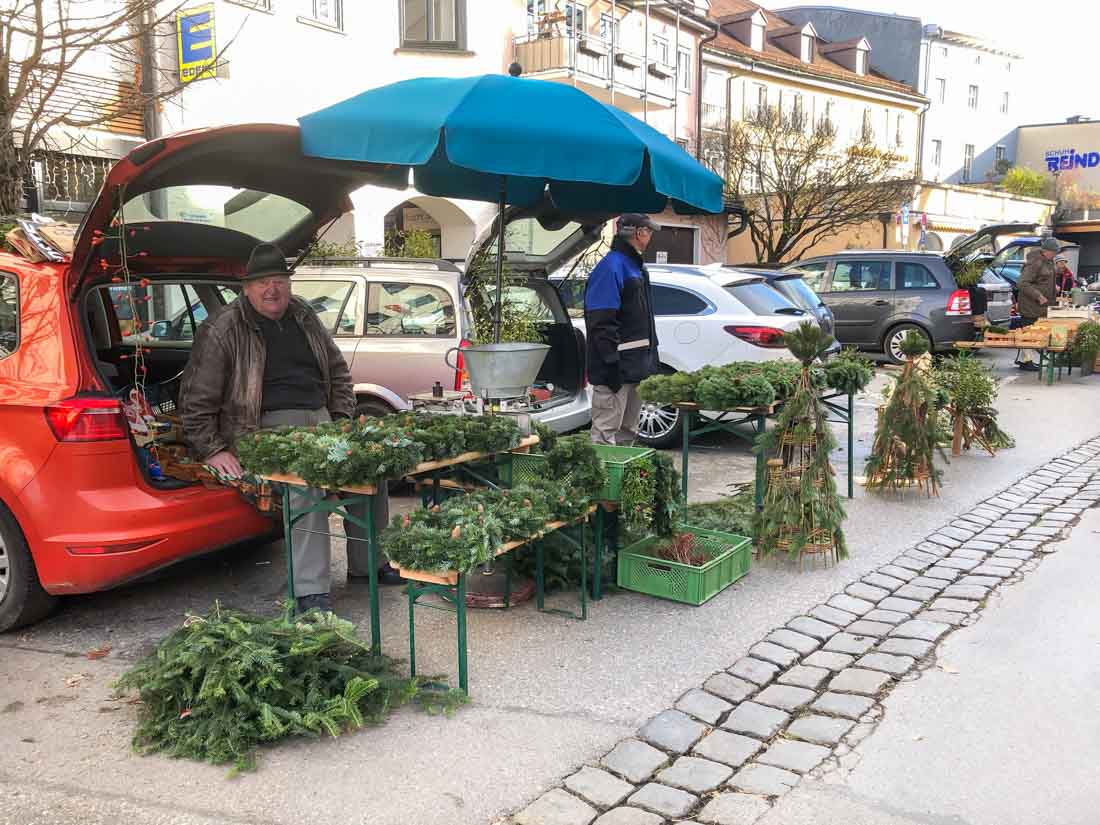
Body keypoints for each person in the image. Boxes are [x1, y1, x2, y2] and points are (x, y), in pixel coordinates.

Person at [180, 242, 398, 614]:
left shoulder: (303, 315)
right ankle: (310, 591)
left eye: (279, 280)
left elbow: (339, 373)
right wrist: (213, 449)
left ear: (289, 284)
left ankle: (369, 566)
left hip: (322, 421)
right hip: (261, 430)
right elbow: (195, 399)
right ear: (247, 288)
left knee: (369, 467)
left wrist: (341, 420)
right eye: (263, 282)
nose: (273, 289)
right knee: (305, 480)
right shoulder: (223, 328)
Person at [584, 214, 660, 445]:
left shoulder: (635, 266)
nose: (650, 236)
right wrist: (611, 364)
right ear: (639, 233)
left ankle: (623, 469)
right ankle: (602, 470)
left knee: (628, 432)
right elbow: (601, 321)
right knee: (605, 434)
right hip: (616, 371)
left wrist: (650, 363)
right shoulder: (611, 267)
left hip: (636, 368)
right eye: (649, 231)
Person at [1015, 237, 1058, 372]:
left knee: (1033, 334)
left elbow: (1044, 280)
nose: (1055, 255)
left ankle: (1026, 361)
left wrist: (1054, 288)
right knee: (1028, 334)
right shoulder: (1035, 262)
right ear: (1046, 251)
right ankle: (1026, 362)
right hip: (1031, 306)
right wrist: (1038, 296)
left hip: (1040, 307)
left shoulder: (1049, 261)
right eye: (1054, 252)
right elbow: (1022, 283)